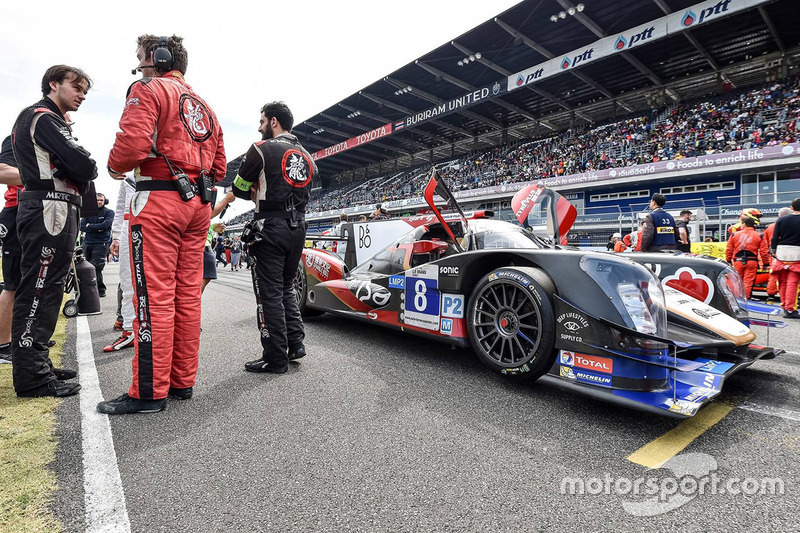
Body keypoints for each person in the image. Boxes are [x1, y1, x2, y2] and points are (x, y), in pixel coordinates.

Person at [98, 34, 226, 414]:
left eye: (141, 57)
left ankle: (149, 392)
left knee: (153, 298)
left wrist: (113, 168)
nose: (139, 65)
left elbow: (130, 146)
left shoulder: (148, 88)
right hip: (198, 205)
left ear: (158, 57)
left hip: (158, 202)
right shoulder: (206, 106)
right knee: (186, 297)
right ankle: (181, 382)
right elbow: (219, 168)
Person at [11, 65, 98, 397]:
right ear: (53, 84)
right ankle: (32, 376)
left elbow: (78, 166)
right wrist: (80, 165)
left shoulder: (49, 119)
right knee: (40, 288)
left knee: (50, 287)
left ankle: (38, 362)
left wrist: (77, 165)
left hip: (57, 207)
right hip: (49, 207)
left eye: (85, 91)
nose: (82, 95)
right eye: (76, 87)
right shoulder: (43, 117)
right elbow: (85, 166)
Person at [232, 101, 316, 374]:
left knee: (269, 293)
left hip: (270, 226)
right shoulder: (308, 156)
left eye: (262, 121)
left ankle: (275, 357)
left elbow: (240, 188)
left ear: (274, 122)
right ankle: (295, 344)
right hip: (299, 227)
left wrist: (256, 188)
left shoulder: (261, 148)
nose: (260, 127)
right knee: (286, 287)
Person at [105, 176, 137, 352]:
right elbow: (119, 208)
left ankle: (159, 331)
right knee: (128, 281)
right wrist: (116, 235)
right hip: (129, 226)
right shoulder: (128, 178)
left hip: (160, 225)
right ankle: (130, 331)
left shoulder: (167, 163)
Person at [0, 136, 24, 364]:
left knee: (34, 284)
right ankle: (2, 345)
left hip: (41, 212)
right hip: (16, 212)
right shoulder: (17, 135)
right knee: (12, 285)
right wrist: (42, 175)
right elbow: (2, 172)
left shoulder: (57, 137)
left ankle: (24, 339)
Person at [80, 193, 115, 297]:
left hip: (101, 243)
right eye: (97, 200)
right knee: (87, 267)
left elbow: (105, 225)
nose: (99, 202)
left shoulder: (109, 212)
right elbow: (81, 227)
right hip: (87, 243)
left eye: (101, 200)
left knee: (96, 267)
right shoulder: (87, 213)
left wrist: (90, 226)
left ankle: (100, 289)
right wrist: (97, 228)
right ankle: (91, 289)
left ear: (105, 201)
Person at [770, 197, 800, 318]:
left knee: (782, 281)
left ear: (792, 208)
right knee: (793, 282)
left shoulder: (781, 219)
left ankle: (784, 306)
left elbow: (774, 237)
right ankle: (790, 309)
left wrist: (773, 250)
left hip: (781, 252)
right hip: (797, 253)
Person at [725, 217, 768, 299]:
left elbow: (729, 249)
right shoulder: (759, 236)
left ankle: (735, 298)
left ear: (744, 224)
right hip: (752, 261)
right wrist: (766, 263)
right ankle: (746, 298)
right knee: (748, 281)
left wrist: (728, 260)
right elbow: (764, 252)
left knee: (736, 281)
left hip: (738, 261)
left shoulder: (734, 235)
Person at [763, 207, 792, 304]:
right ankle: (791, 298)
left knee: (774, 274)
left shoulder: (770, 227)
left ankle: (771, 296)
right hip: (791, 252)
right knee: (792, 275)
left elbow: (765, 243)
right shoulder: (793, 224)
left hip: (775, 253)